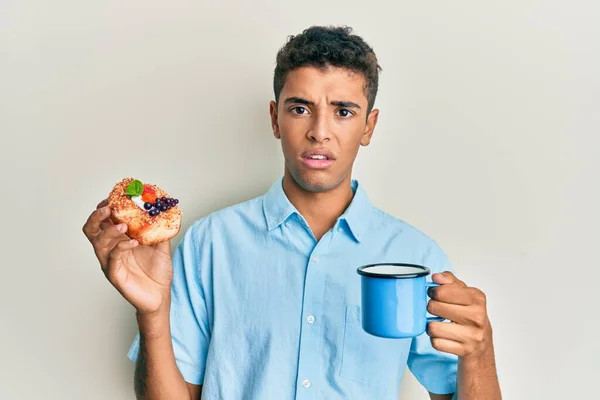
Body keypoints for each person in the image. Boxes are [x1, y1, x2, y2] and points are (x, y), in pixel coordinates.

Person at [82, 25, 501, 400]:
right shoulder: (209, 243)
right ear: (275, 118)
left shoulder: (415, 257)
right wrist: (152, 314)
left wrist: (480, 353)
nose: (320, 130)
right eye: (300, 108)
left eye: (343, 111)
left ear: (369, 127)